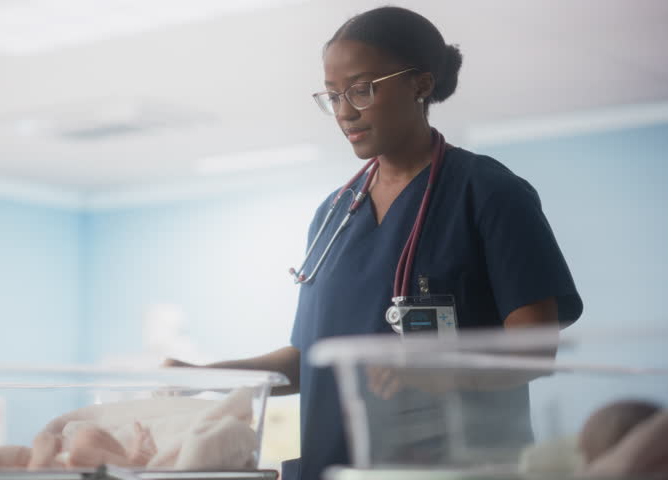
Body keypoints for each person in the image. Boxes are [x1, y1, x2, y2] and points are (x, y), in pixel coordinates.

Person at [165, 6, 582, 479]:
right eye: (333, 95)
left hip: (452, 468)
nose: (344, 111)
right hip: (332, 465)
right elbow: (311, 359)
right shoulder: (334, 213)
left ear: (420, 84)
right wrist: (207, 376)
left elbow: (535, 348)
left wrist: (436, 374)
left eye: (362, 90)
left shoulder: (487, 192)